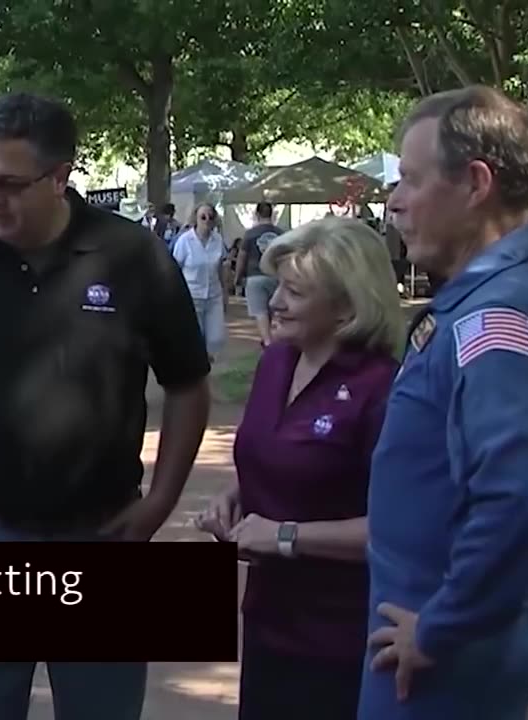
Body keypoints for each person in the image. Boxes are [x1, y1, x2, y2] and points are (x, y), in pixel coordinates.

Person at [0, 92, 211, 720]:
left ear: (60, 177)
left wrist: (160, 501)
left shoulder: (132, 256)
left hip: (101, 537)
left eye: (10, 183)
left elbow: (188, 384)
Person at [361, 86, 528, 719]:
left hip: (439, 653)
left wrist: (440, 627)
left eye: (410, 180)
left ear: (476, 183)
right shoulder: (496, 298)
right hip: (440, 628)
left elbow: (521, 496)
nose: (395, 201)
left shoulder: (498, 316)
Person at [196, 217, 403, 720]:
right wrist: (237, 494)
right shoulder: (277, 362)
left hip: (342, 634)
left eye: (295, 291)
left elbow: (400, 530)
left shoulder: (385, 390)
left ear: (346, 306)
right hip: (269, 618)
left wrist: (286, 535)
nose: (276, 303)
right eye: (279, 286)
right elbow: (273, 456)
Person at [171, 203, 227, 363]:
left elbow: (221, 267)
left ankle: (205, 361)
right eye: (203, 217)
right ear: (196, 218)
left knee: (216, 337)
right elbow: (175, 269)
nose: (207, 220)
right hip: (192, 295)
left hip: (213, 294)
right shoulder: (185, 241)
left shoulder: (217, 240)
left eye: (210, 217)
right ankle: (198, 369)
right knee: (196, 336)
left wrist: (225, 292)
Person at [235, 202, 284, 347]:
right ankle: (277, 339)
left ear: (257, 215)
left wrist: (238, 276)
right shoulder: (281, 233)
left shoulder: (250, 234)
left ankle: (268, 342)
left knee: (260, 311)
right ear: (271, 214)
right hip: (276, 275)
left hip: (255, 276)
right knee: (275, 310)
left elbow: (242, 256)